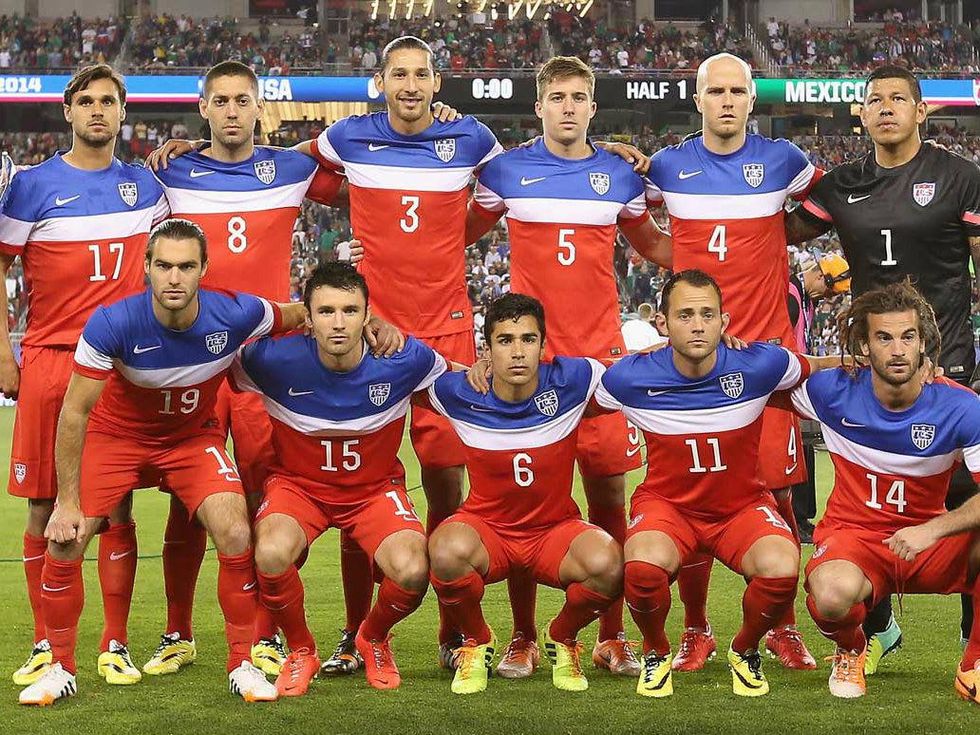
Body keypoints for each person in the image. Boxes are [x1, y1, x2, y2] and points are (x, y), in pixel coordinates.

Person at [143, 60, 392, 681]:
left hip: (265, 362)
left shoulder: (292, 167)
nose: (231, 110)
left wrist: (433, 115)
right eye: (220, 100)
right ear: (203, 108)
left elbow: (372, 169)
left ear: (260, 109)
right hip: (190, 361)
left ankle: (268, 635)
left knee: (264, 501)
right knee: (189, 501)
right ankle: (179, 631)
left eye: (242, 101)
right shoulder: (171, 169)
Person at [17, 218, 308, 706]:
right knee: (66, 538)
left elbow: (297, 314)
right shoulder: (113, 322)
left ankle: (241, 664)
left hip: (191, 440)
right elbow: (74, 412)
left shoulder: (236, 313)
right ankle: (60, 667)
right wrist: (66, 501)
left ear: (204, 270)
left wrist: (368, 320)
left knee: (236, 530)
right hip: (117, 438)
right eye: (165, 266)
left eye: (187, 267)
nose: (175, 277)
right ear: (147, 268)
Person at [462, 54, 671, 679]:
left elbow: (657, 245)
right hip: (530, 366)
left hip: (602, 365)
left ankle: (609, 637)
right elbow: (455, 233)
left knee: (610, 501)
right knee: (527, 509)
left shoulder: (620, 174)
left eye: (579, 97)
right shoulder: (504, 171)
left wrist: (749, 252)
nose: (569, 107)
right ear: (540, 106)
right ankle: (525, 637)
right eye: (558, 97)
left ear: (592, 108)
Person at [785, 63, 980, 676]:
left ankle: (973, 649)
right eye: (876, 100)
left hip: (949, 364)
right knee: (871, 498)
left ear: (922, 112)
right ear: (861, 115)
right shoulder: (842, 184)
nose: (887, 107)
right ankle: (870, 629)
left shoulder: (959, 176)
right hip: (872, 368)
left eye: (900, 98)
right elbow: (773, 229)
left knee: (964, 502)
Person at [643, 51, 821, 671]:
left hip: (766, 361)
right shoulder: (667, 166)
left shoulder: (785, 162)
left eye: (735, 90)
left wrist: (776, 257)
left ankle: (781, 625)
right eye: (713, 90)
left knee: (777, 497)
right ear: (697, 99)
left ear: (751, 99)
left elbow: (810, 221)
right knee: (693, 494)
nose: (725, 100)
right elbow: (643, 233)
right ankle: (696, 628)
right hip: (691, 362)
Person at [0, 64, 169, 688]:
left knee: (115, 506)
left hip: (120, 367)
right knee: (45, 508)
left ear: (123, 114)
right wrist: (3, 352)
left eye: (110, 102)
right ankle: (46, 644)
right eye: (87, 101)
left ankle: (114, 644)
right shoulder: (30, 185)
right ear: (67, 112)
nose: (99, 111)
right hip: (50, 359)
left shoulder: (146, 189)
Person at [594, 269, 837, 697]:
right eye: (685, 314)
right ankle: (656, 650)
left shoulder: (760, 364)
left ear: (725, 323)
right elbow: (567, 392)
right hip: (669, 509)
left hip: (739, 508)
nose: (697, 324)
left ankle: (743, 650)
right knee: (642, 566)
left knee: (781, 565)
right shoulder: (629, 377)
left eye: (707, 314)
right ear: (662, 323)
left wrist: (872, 362)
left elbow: (816, 368)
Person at [232, 262, 445, 693]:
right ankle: (301, 649)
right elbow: (212, 354)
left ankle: (372, 638)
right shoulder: (272, 360)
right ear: (307, 319)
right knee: (270, 553)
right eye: (326, 312)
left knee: (414, 569)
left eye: (350, 310)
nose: (339, 322)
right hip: (299, 488)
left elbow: (461, 380)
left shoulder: (404, 359)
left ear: (369, 316)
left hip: (373, 491)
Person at [793, 280, 980, 703]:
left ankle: (973, 665)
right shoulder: (831, 392)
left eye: (908, 337)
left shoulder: (961, 406)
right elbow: (760, 375)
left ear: (923, 343)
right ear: (864, 345)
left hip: (927, 545)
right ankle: (851, 648)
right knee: (830, 596)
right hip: (854, 542)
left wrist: (932, 531)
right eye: (884, 337)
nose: (898, 350)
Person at [427, 293, 622, 694]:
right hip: (489, 532)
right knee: (444, 549)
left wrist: (691, 344)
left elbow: (636, 371)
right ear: (487, 349)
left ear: (543, 345)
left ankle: (561, 636)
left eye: (528, 339)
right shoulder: (457, 392)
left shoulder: (574, 381)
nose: (518, 352)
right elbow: (398, 374)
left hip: (554, 531)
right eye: (505, 340)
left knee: (610, 562)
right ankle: (478, 641)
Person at [788, 253, 851, 541]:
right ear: (818, 275)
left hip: (797, 379)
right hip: (785, 381)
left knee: (803, 449)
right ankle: (795, 519)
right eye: (828, 289)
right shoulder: (789, 296)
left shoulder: (804, 298)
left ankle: (801, 517)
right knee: (796, 449)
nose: (827, 297)